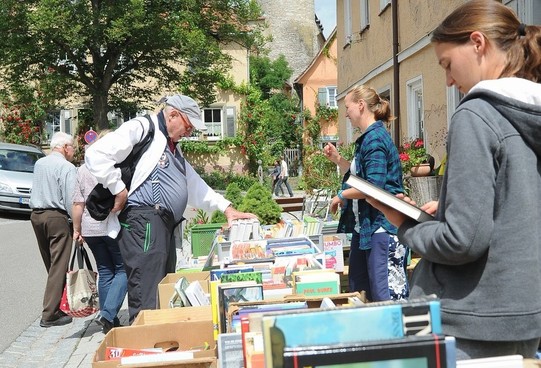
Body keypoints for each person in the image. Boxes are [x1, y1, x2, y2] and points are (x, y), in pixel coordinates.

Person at [366, 0, 541, 359]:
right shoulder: (528, 112)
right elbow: (515, 213)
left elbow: (462, 241)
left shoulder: (477, 114)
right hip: (523, 318)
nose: (447, 79)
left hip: (470, 320)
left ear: (478, 43)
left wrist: (406, 224)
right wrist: (449, 208)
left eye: (447, 64)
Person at [85, 94, 258, 323]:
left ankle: (158, 342)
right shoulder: (143, 127)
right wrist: (118, 188)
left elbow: (195, 185)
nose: (190, 132)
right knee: (147, 293)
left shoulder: (173, 147)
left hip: (160, 224)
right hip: (144, 221)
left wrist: (227, 208)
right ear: (173, 114)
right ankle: (146, 345)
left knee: (161, 290)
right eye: (188, 126)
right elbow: (95, 154)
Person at [323, 85, 408, 302]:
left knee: (385, 298)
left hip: (382, 226)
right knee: (360, 293)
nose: (346, 113)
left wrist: (341, 196)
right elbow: (360, 177)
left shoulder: (375, 139)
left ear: (361, 106)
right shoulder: (368, 138)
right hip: (367, 229)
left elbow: (373, 186)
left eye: (348, 107)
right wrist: (339, 161)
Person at [72, 130, 127, 334]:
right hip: (111, 225)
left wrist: (77, 229)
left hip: (89, 226)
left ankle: (108, 320)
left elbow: (78, 203)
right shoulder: (114, 167)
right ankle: (108, 314)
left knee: (105, 270)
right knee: (123, 269)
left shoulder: (83, 169)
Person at [29, 132, 77, 327]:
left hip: (36, 215)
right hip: (56, 216)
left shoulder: (40, 163)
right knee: (59, 264)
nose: (74, 151)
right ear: (65, 147)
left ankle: (58, 304)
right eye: (73, 147)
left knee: (51, 263)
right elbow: (70, 199)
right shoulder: (67, 167)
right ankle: (50, 313)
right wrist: (76, 225)